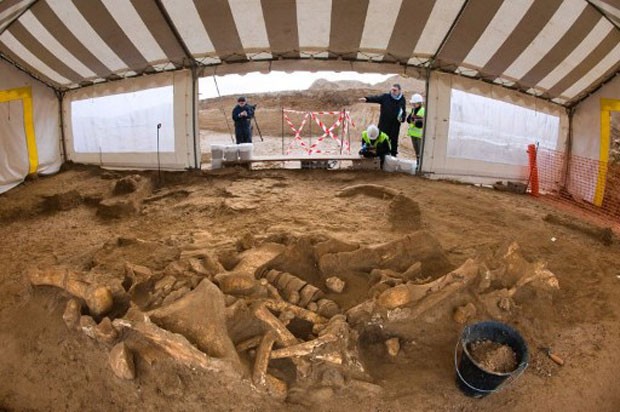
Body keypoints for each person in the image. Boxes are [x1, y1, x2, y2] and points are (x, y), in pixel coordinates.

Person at [359, 83, 406, 157]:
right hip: (384, 124)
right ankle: (379, 156)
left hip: (395, 125)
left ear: (399, 91)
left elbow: (403, 111)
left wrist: (403, 118)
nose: (392, 91)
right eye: (392, 89)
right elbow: (376, 98)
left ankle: (393, 156)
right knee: (381, 140)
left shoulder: (402, 99)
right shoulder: (385, 97)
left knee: (394, 141)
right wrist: (367, 99)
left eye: (395, 90)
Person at [406, 93, 425, 165]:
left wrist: (414, 121)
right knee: (416, 151)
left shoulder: (423, 111)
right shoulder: (413, 110)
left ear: (419, 103)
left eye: (414, 103)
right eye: (413, 103)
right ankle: (418, 163)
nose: (413, 104)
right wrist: (413, 120)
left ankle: (421, 164)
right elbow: (408, 120)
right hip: (413, 134)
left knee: (420, 151)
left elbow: (420, 124)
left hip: (419, 135)